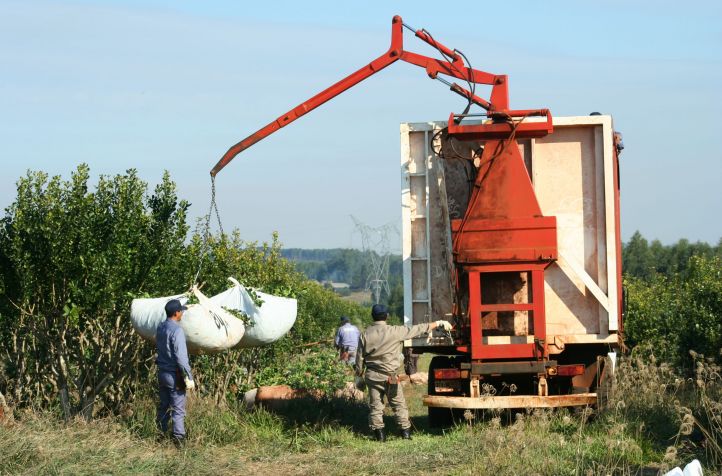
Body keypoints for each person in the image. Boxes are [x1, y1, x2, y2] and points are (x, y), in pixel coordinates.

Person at [355, 304, 452, 441]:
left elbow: (359, 358)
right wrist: (437, 323)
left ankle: (380, 437)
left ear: (372, 316)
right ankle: (405, 434)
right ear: (387, 316)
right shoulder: (395, 331)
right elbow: (417, 329)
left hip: (372, 375)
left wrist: (359, 375)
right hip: (391, 376)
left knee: (375, 406)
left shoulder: (364, 335)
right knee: (398, 403)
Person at [156, 299, 195, 447]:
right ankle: (179, 441)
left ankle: (161, 435)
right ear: (176, 313)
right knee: (178, 409)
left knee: (164, 406)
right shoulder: (177, 330)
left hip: (162, 373)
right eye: (181, 311)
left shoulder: (160, 327)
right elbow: (181, 357)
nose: (182, 313)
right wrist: (188, 377)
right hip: (174, 375)